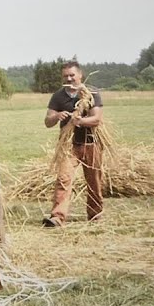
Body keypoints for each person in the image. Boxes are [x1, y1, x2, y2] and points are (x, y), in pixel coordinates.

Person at [42, 60, 105, 227]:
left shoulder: (91, 93)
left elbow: (97, 119)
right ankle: (57, 217)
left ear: (80, 75)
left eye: (72, 75)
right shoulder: (58, 96)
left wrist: (80, 121)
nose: (69, 79)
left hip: (91, 144)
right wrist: (57, 116)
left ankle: (95, 214)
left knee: (94, 181)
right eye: (65, 76)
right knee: (63, 179)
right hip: (68, 146)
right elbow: (47, 121)